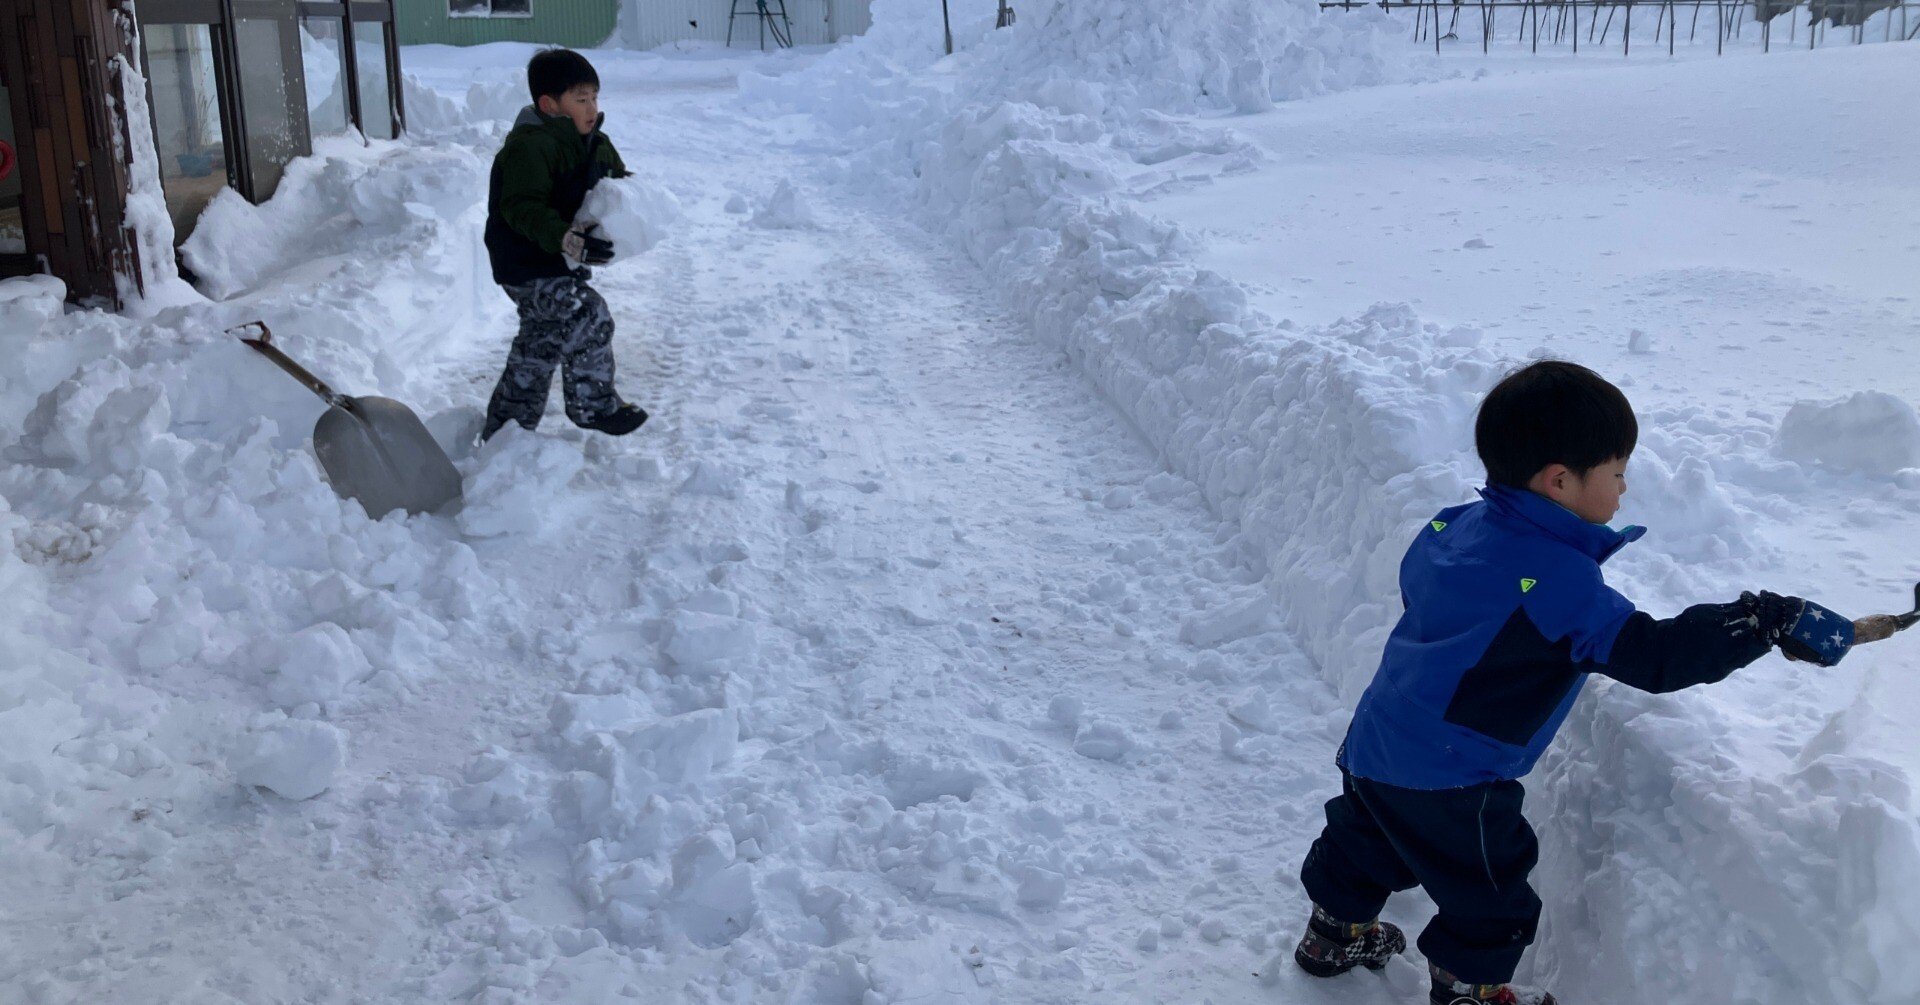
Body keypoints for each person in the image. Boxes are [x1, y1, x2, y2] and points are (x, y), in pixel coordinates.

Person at [1289, 360, 1854, 1005]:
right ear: (1560, 481)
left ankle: (1333, 934)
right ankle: (1472, 993)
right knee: (1490, 892)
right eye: (1616, 474)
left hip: (1376, 739)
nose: (1623, 490)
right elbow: (1653, 656)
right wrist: (1758, 622)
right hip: (1453, 776)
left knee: (1362, 840)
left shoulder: (1452, 525)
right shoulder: (1557, 579)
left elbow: (1431, 593)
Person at [481, 48, 647, 443]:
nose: (592, 108)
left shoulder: (594, 142)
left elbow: (617, 187)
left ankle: (507, 432)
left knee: (541, 341)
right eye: (580, 99)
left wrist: (636, 205)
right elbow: (521, 206)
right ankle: (593, 404)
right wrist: (565, 238)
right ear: (549, 104)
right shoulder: (530, 146)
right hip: (523, 261)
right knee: (587, 314)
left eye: (594, 97)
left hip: (556, 261)